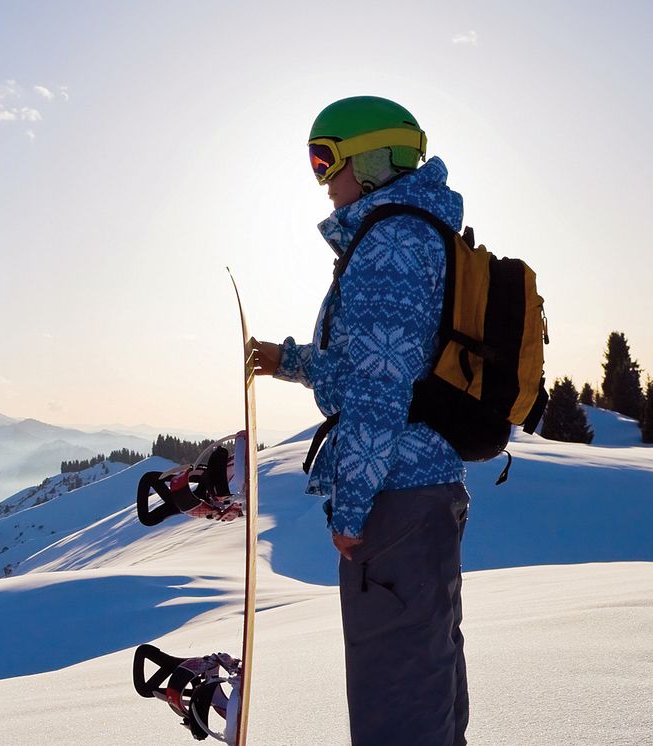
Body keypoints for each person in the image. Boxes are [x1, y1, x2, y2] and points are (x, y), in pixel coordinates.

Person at [249, 96, 471, 745]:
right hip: (423, 494)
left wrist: (350, 512)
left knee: (397, 700)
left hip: (397, 504)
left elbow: (378, 394)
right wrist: (288, 360)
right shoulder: (412, 233)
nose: (320, 179)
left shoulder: (390, 245)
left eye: (326, 159)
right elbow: (371, 368)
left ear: (372, 161)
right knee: (425, 677)